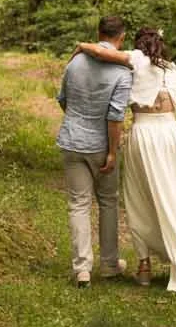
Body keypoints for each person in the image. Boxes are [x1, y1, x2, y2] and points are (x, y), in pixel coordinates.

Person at [73, 26, 176, 294]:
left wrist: (82, 46)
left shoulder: (136, 60)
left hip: (144, 134)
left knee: (139, 199)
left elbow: (102, 53)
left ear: (140, 45)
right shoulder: (173, 70)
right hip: (171, 136)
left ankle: (144, 267)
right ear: (162, 45)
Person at [55, 15, 134, 287]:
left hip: (72, 141)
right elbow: (115, 117)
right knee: (108, 201)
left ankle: (82, 269)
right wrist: (112, 152)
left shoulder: (75, 61)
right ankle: (110, 264)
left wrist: (77, 122)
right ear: (121, 37)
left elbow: (63, 99)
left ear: (98, 32)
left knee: (78, 203)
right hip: (101, 145)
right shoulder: (124, 73)